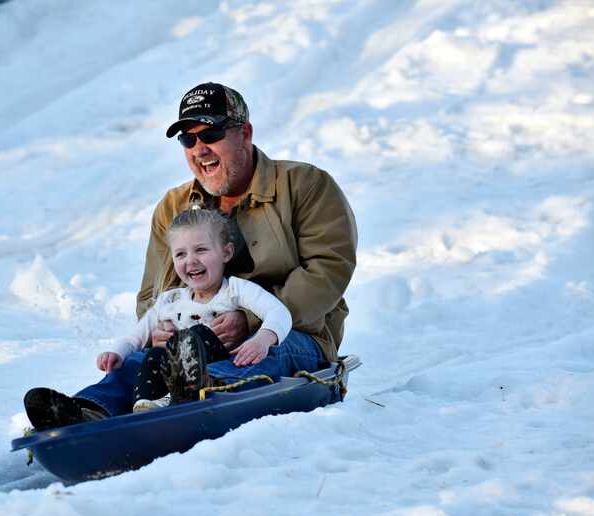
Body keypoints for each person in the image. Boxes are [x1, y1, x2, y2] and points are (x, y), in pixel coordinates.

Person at [23, 81, 357, 429]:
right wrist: (161, 330)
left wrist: (250, 321)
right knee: (141, 363)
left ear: (244, 133)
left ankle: (200, 386)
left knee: (261, 357)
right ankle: (87, 411)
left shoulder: (304, 185)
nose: (199, 148)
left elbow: (327, 270)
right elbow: (155, 293)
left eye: (210, 133)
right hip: (191, 341)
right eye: (188, 139)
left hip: (289, 334)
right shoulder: (174, 207)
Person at [25, 208, 294, 427]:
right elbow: (138, 334)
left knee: (191, 339)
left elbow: (278, 312)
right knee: (144, 357)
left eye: (201, 250)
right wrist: (117, 353)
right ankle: (88, 412)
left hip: (214, 364)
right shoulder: (171, 299)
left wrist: (262, 339)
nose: (191, 261)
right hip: (170, 369)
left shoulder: (235, 290)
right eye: (181, 254)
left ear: (226, 252)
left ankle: (188, 389)